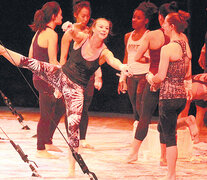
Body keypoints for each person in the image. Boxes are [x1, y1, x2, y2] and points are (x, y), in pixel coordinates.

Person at [0, 18, 132, 177]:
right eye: (101, 26)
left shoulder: (104, 52)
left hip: (76, 90)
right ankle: (2, 50)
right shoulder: (84, 38)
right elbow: (75, 34)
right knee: (29, 62)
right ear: (94, 28)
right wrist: (70, 28)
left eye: (107, 28)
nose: (104, 29)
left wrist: (123, 67)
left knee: (73, 129)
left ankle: (72, 169)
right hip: (60, 75)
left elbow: (114, 61)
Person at [125, 1, 198, 166]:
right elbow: (188, 60)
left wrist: (150, 61)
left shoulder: (152, 36)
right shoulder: (182, 37)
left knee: (145, 117)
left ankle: (133, 153)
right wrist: (187, 82)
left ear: (161, 18)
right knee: (167, 121)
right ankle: (164, 157)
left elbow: (137, 57)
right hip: (174, 84)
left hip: (156, 81)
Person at [147, 10, 192, 180]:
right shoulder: (185, 45)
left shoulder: (167, 48)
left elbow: (161, 76)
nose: (163, 26)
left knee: (169, 136)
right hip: (181, 97)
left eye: (165, 23)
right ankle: (188, 120)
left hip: (168, 98)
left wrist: (151, 78)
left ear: (172, 26)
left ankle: (171, 174)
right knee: (163, 128)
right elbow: (187, 71)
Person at [60, 0, 102, 149]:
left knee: (84, 108)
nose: (85, 19)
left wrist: (98, 76)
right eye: (83, 16)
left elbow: (97, 55)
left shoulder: (91, 32)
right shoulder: (69, 34)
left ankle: (82, 139)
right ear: (75, 15)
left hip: (87, 77)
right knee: (71, 108)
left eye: (88, 16)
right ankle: (71, 138)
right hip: (72, 77)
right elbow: (63, 59)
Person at [28, 1, 65, 159]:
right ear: (54, 16)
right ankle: (40, 148)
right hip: (46, 79)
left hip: (38, 77)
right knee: (45, 114)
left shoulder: (38, 33)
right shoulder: (52, 34)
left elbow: (30, 57)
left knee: (61, 107)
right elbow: (52, 61)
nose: (62, 17)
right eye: (61, 14)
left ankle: (48, 141)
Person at [117, 1, 157, 137]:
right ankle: (139, 135)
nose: (134, 20)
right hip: (131, 75)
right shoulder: (128, 36)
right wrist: (122, 78)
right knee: (134, 106)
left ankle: (143, 134)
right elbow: (126, 57)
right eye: (133, 17)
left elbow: (154, 58)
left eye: (138, 18)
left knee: (142, 106)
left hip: (144, 76)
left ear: (146, 20)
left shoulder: (149, 35)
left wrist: (145, 60)